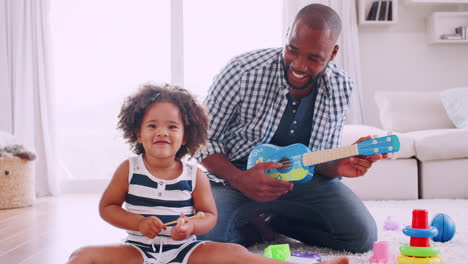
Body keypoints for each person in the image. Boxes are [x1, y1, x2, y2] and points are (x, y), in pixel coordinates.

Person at [66, 84, 349, 264]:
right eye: (152, 126)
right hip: (138, 252)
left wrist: (191, 227)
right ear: (138, 133)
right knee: (82, 256)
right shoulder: (129, 169)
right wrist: (138, 223)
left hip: (186, 252)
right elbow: (108, 207)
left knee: (237, 255)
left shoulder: (193, 174)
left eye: (172, 127)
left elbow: (209, 216)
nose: (162, 131)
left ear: (187, 136)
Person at [196, 4, 385, 253]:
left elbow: (318, 161)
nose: (298, 65)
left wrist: (337, 166)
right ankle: (254, 226)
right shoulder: (242, 71)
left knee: (362, 238)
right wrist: (239, 179)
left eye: (314, 57)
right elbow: (202, 139)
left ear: (333, 52)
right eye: (292, 50)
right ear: (287, 34)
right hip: (236, 177)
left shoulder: (341, 87)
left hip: (303, 182)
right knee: (205, 238)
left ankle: (276, 223)